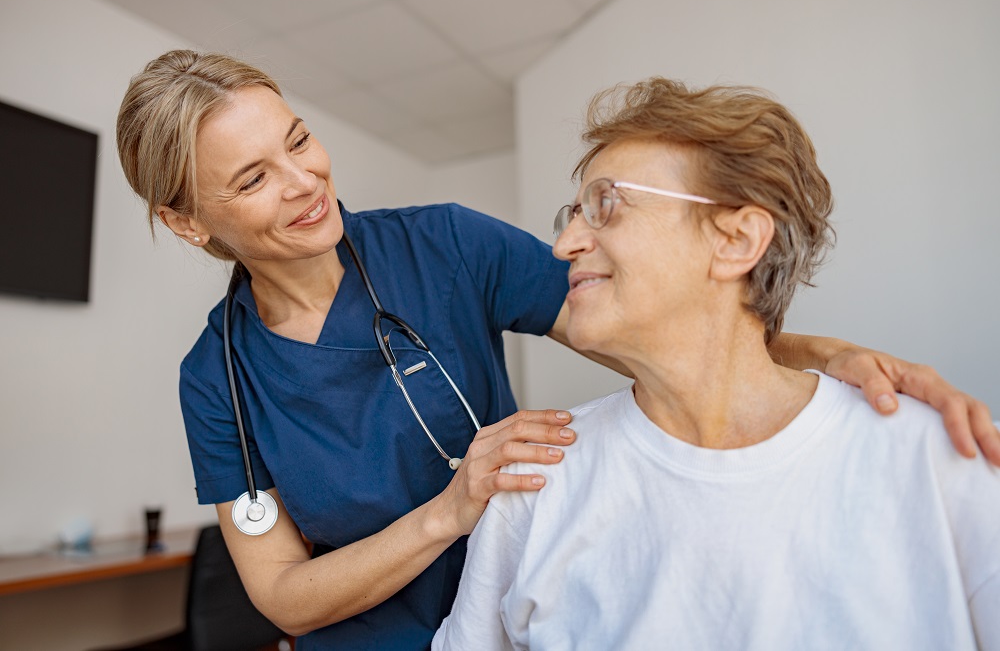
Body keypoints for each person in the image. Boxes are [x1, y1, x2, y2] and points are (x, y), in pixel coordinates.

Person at [116, 51, 998, 650]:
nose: (305, 181)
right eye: (253, 178)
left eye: (298, 139)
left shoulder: (445, 249)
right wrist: (451, 509)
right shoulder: (217, 380)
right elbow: (278, 593)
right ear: (188, 222)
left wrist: (825, 357)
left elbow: (666, 325)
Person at [433, 78, 1000, 650]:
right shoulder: (535, 481)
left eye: (606, 204)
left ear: (735, 240)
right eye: (574, 213)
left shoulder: (938, 455)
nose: (565, 244)